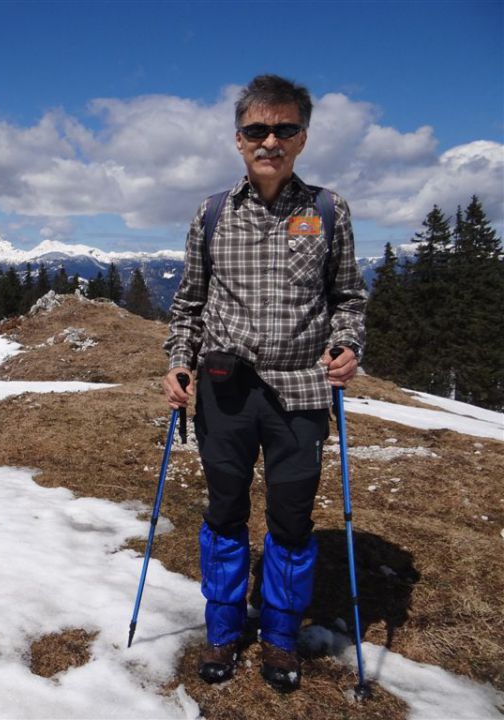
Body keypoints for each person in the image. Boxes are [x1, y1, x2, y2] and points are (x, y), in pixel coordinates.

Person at [162, 74, 366, 693]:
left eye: (284, 129)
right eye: (257, 129)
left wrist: (349, 345)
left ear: (302, 137)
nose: (270, 140)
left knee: (292, 518)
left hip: (302, 390)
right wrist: (179, 360)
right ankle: (223, 626)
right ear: (238, 139)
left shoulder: (328, 210)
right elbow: (189, 303)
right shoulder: (213, 212)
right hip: (226, 389)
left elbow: (348, 297)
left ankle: (279, 636)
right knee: (224, 510)